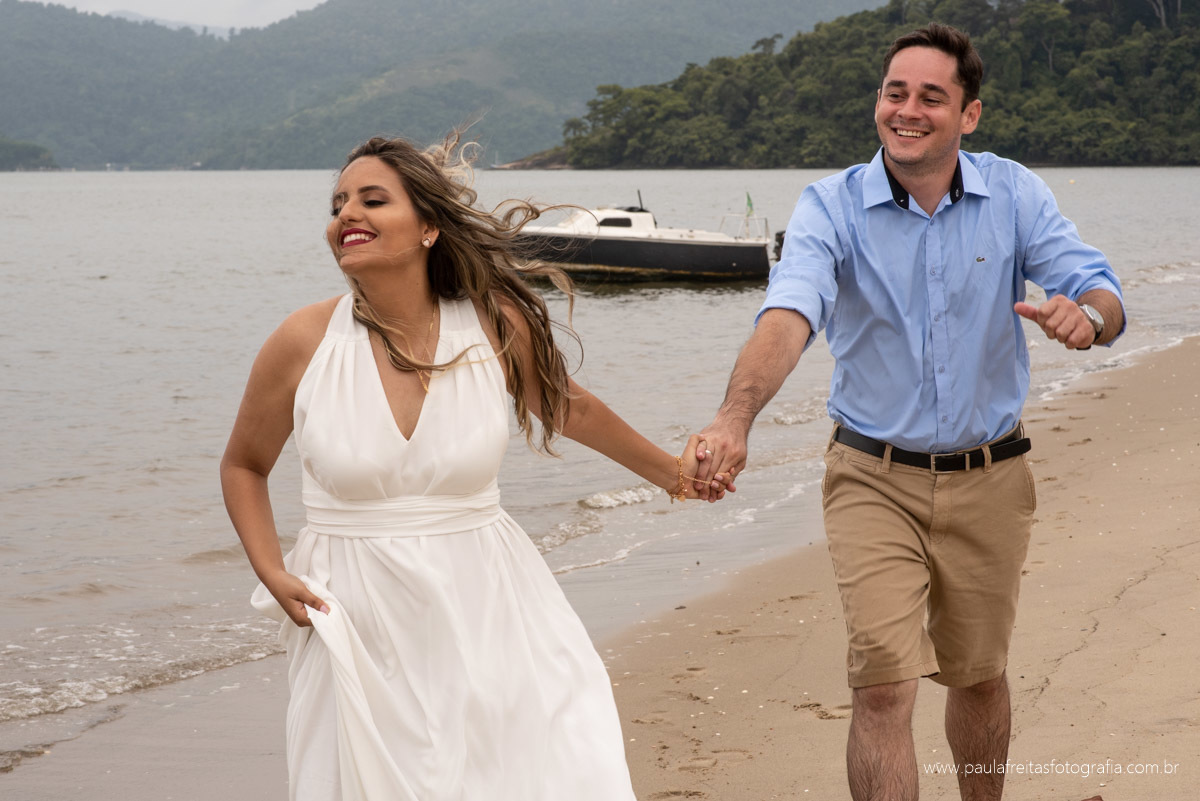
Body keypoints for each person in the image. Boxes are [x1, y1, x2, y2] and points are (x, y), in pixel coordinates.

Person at [220, 133, 729, 801]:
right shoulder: (303, 340)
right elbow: (244, 464)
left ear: (429, 227)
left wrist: (676, 475)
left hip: (488, 602)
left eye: (372, 199)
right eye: (338, 203)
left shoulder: (494, 324)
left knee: (527, 773)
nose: (347, 214)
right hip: (352, 612)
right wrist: (270, 569)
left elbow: (571, 409)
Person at [689, 22, 1125, 801]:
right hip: (873, 476)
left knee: (978, 675)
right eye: (896, 93)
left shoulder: (1015, 194)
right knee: (884, 686)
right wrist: (734, 419)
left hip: (991, 475)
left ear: (969, 114)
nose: (909, 110)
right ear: (877, 102)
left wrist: (1086, 318)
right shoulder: (831, 207)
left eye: (932, 96)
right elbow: (789, 314)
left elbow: (1099, 289)